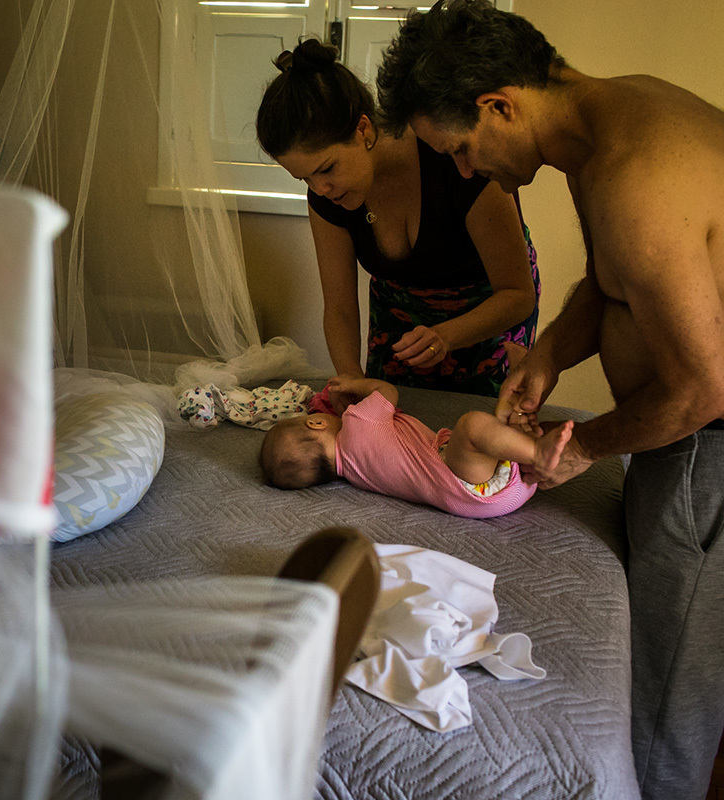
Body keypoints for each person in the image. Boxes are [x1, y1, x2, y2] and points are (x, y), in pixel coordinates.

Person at [375, 2, 724, 798]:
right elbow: (613, 284)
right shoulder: (617, 119)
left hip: (710, 443)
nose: (465, 172)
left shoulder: (638, 174)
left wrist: (590, 447)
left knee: (672, 695)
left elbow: (704, 386)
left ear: (499, 104)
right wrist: (551, 351)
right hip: (695, 432)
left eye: (461, 150)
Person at [255, 38, 540, 398]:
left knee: (480, 434)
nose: (320, 188)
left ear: (363, 129)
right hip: (398, 320)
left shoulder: (454, 160)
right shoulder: (327, 196)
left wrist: (446, 335)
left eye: (326, 168)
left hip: (490, 315)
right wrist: (352, 380)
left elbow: (517, 295)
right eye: (305, 178)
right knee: (394, 425)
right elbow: (340, 308)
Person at [259, 375, 572, 519]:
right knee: (473, 426)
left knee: (493, 435)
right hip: (466, 481)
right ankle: (536, 454)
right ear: (316, 422)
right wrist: (356, 385)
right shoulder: (355, 423)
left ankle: (523, 438)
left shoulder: (353, 474)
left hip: (481, 499)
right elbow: (387, 391)